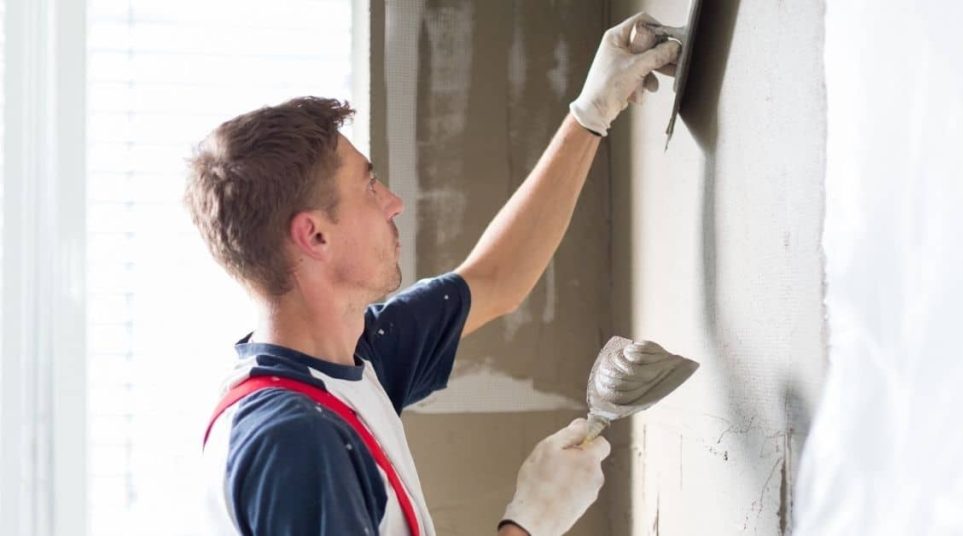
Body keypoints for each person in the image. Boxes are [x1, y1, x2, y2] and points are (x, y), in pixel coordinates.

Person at [188, 12, 679, 536]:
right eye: (369, 185)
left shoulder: (349, 357)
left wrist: (592, 111)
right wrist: (529, 523)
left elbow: (496, 279)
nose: (394, 202)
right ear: (315, 236)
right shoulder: (294, 442)